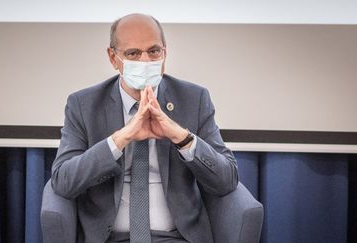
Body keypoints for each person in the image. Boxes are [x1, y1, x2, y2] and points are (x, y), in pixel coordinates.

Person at [51, 13, 238, 243]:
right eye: (133, 54)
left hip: (177, 237)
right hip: (110, 238)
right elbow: (63, 182)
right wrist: (120, 139)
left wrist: (182, 139)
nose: (145, 61)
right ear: (113, 58)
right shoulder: (84, 104)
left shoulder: (194, 98)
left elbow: (227, 179)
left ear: (165, 53)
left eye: (154, 51)